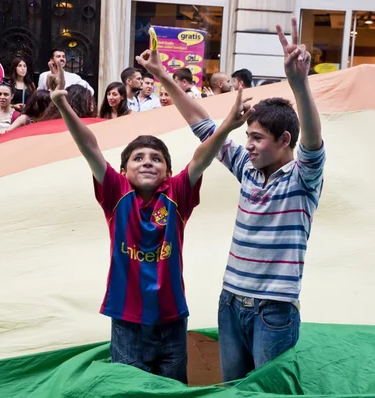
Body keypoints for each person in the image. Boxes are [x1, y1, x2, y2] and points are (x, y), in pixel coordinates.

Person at [46, 46, 252, 384]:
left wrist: (228, 124)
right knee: (129, 391)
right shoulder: (115, 193)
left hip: (172, 320)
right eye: (138, 158)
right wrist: (62, 103)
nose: (147, 162)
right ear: (123, 169)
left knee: (172, 391)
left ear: (168, 172)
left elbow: (203, 154)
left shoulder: (178, 195)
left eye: (156, 158)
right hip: (126, 321)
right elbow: (89, 146)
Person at [184, 16, 324, 382]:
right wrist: (167, 80)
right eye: (247, 136)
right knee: (234, 388)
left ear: (284, 140)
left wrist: (299, 83)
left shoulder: (303, 178)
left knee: (268, 391)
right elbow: (203, 128)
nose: (248, 144)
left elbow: (312, 140)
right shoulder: (246, 166)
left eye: (258, 137)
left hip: (273, 312)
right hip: (230, 303)